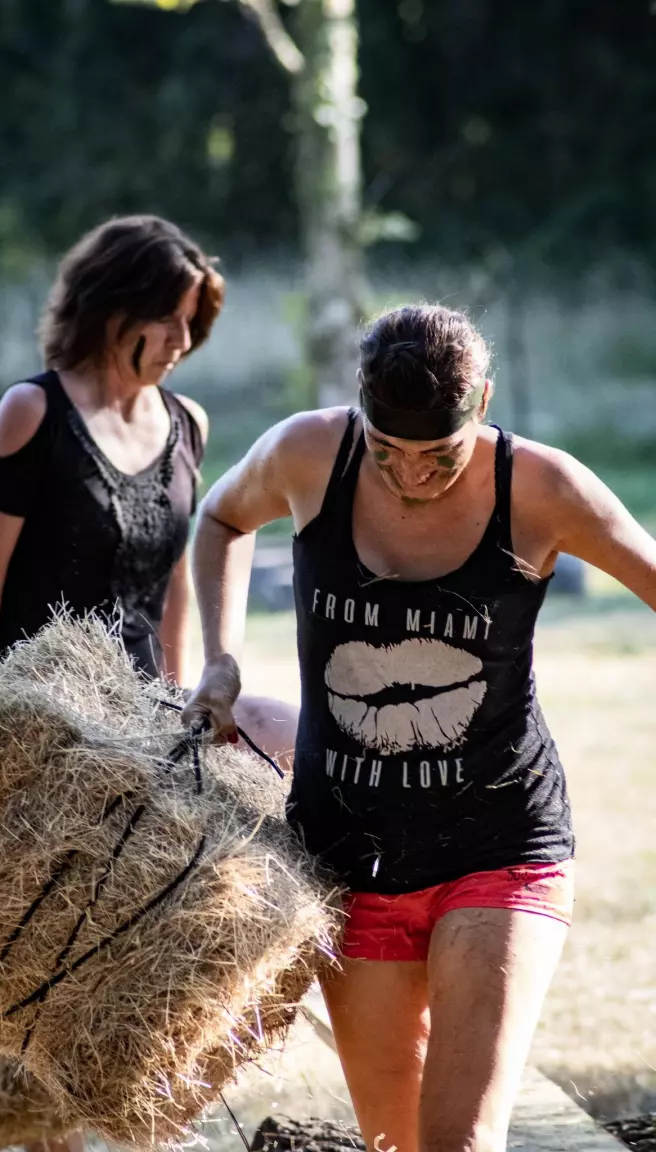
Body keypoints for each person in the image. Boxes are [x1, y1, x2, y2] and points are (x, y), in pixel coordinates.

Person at [183, 304, 656, 1152]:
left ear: (484, 403)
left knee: (459, 1142)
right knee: (393, 1143)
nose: (412, 477)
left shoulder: (541, 487)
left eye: (440, 455)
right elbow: (220, 518)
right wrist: (221, 660)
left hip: (500, 847)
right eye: (387, 450)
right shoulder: (309, 453)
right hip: (347, 859)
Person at [0, 214, 297, 1152]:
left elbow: (176, 582)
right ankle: (42, 1132)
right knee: (38, 944)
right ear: (113, 308)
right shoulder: (29, 415)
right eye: (169, 320)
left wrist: (181, 709)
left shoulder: (189, 425)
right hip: (37, 719)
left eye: (194, 324)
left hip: (141, 714)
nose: (183, 341)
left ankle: (140, 1118)